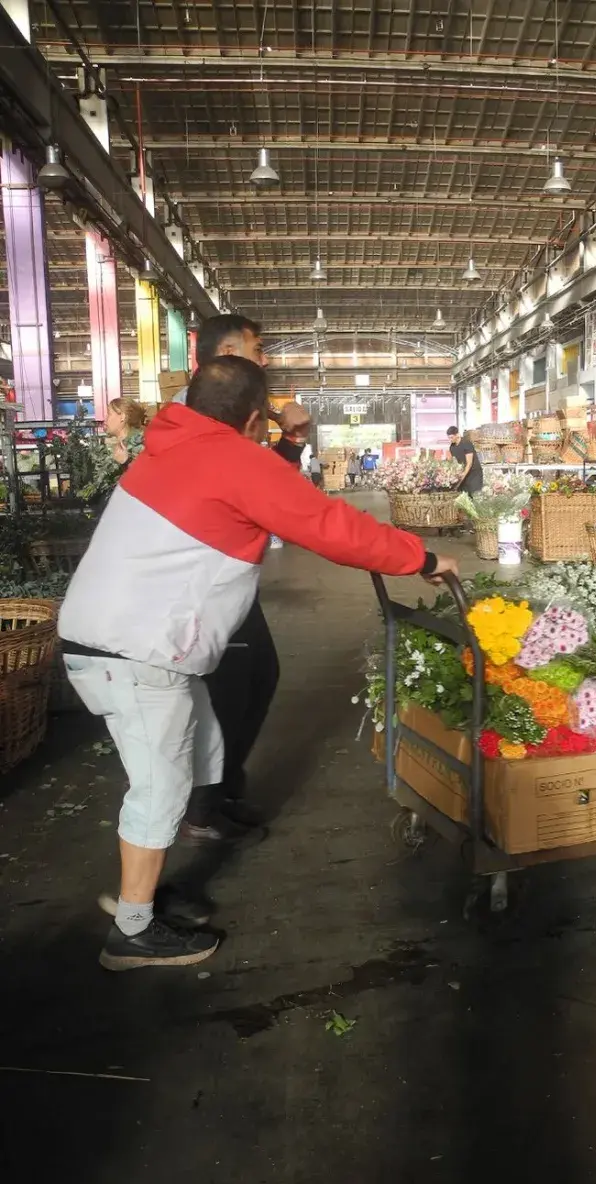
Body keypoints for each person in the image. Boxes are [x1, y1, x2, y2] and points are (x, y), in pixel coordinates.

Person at [59, 356, 458, 971]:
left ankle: (145, 885)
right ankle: (132, 929)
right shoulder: (230, 457)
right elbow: (329, 525)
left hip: (123, 640)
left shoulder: (169, 448)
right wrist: (422, 559)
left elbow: (287, 506)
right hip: (136, 650)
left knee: (203, 750)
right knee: (161, 782)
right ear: (252, 419)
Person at [176, 315, 311, 844]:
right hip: (202, 581)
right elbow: (276, 501)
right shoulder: (202, 419)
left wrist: (291, 442)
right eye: (259, 348)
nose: (268, 358)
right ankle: (201, 808)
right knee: (230, 688)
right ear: (229, 353)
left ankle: (223, 792)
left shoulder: (234, 419)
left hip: (230, 575)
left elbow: (263, 490)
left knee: (258, 675)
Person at [104, 397, 149, 466]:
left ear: (122, 417)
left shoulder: (141, 445)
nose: (105, 418)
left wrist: (126, 462)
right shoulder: (112, 445)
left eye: (109, 414)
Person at [447, 425, 483, 495]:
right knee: (464, 496)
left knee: (474, 495)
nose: (450, 440)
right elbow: (455, 462)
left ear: (457, 435)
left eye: (451, 437)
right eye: (449, 438)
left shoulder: (466, 443)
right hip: (464, 473)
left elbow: (469, 463)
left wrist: (462, 477)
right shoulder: (452, 447)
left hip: (474, 473)